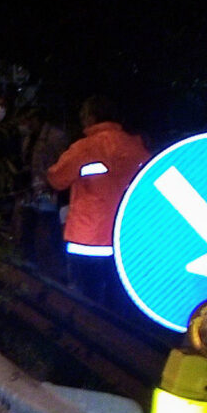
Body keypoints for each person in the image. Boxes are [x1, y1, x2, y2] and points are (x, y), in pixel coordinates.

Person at [46, 95, 149, 309]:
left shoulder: (84, 148)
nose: (82, 119)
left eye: (83, 114)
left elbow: (57, 178)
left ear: (92, 117)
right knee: (119, 302)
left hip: (87, 240)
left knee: (86, 303)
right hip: (124, 240)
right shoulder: (135, 147)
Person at [16, 106, 69, 281]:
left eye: (28, 121)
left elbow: (62, 164)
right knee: (26, 229)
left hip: (48, 191)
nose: (25, 125)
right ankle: (30, 268)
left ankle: (52, 272)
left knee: (48, 232)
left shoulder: (55, 137)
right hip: (30, 191)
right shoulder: (28, 138)